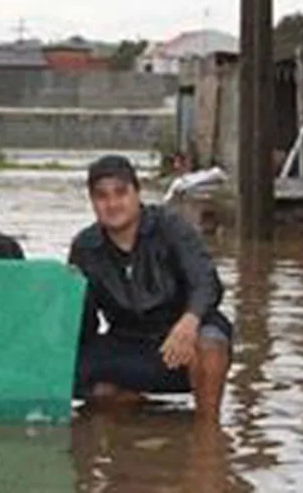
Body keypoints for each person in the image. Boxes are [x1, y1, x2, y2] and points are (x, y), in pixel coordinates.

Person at [67, 154, 232, 422]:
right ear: (92, 202)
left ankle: (208, 432)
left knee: (211, 341)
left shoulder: (171, 226)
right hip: (130, 343)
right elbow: (83, 323)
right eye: (102, 196)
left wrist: (188, 322)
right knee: (66, 373)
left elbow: (206, 281)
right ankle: (142, 413)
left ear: (137, 193)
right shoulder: (85, 247)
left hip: (183, 338)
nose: (112, 204)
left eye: (121, 193)